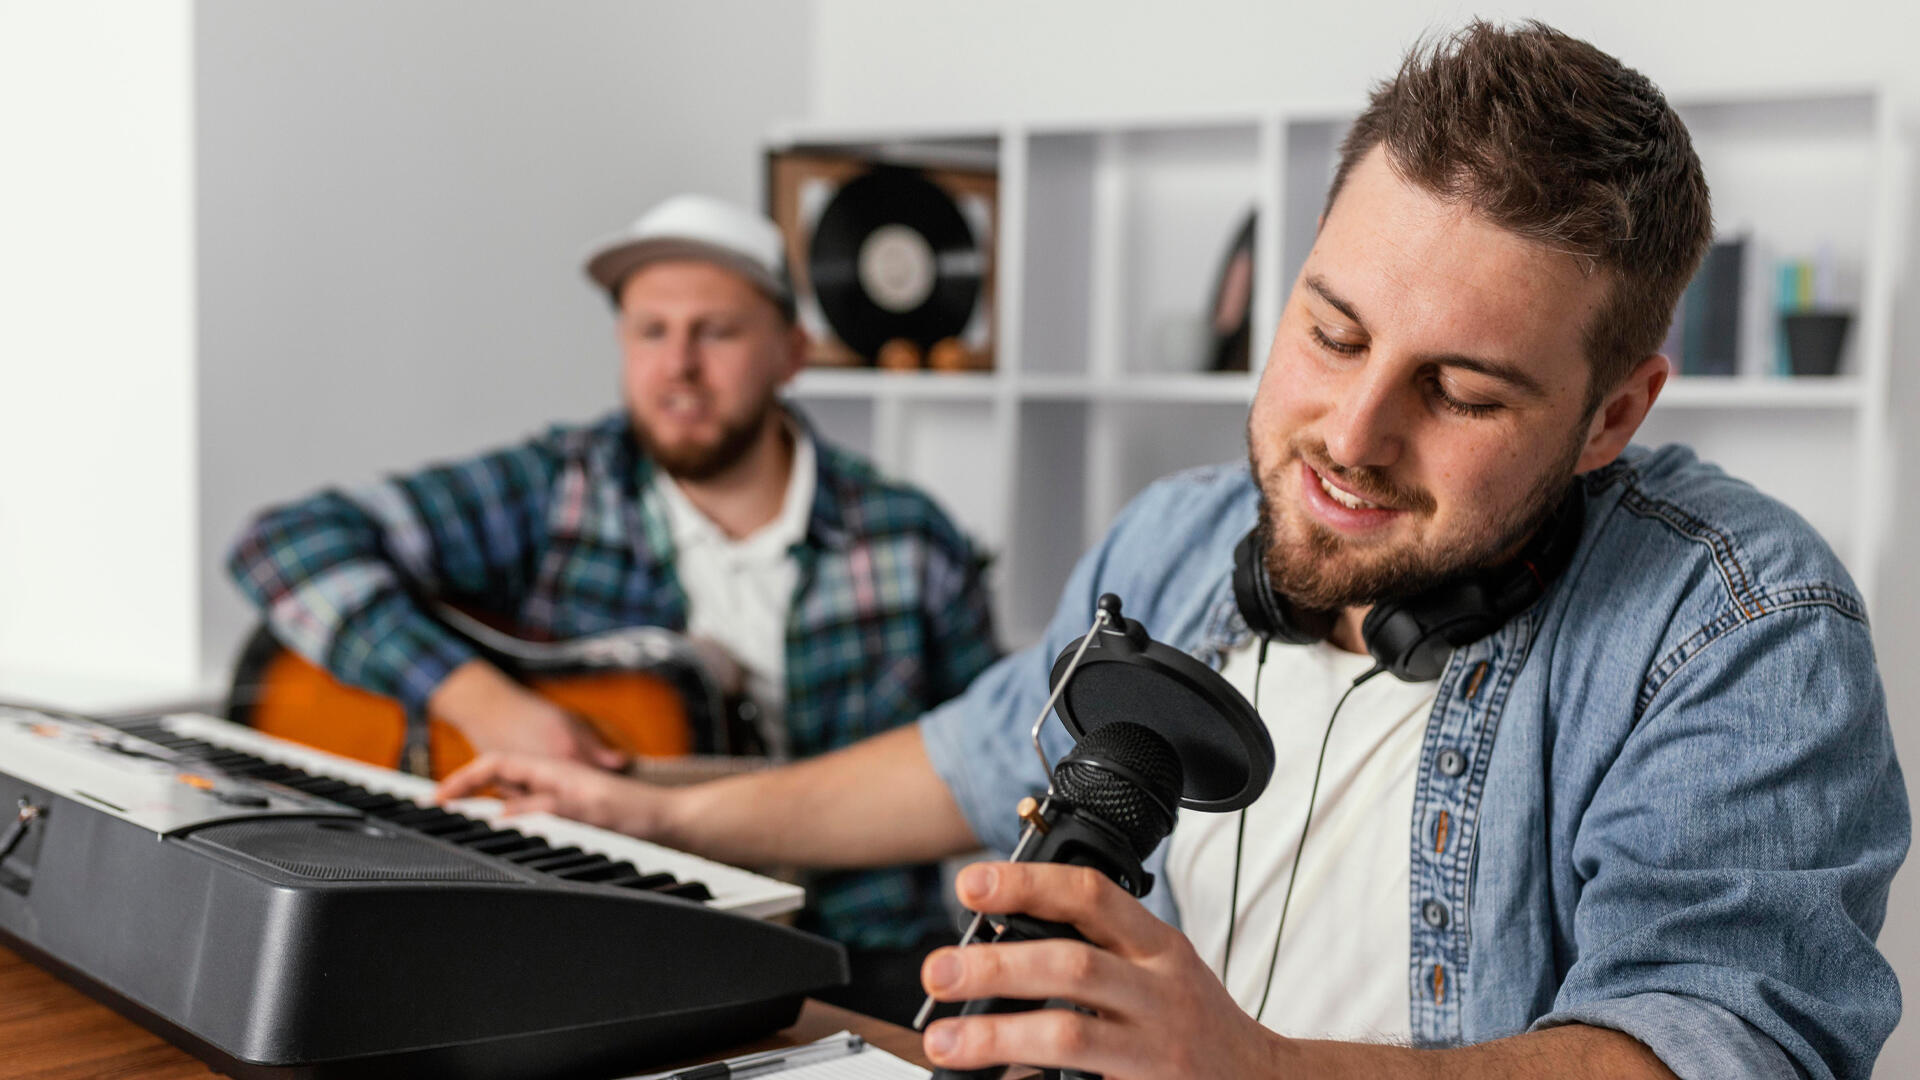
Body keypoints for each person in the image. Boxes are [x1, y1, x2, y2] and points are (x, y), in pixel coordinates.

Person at [436, 23, 1907, 1079]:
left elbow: (1721, 1046)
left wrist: (1251, 1070)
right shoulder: (1188, 532)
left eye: (1461, 392)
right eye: (1330, 333)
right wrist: (654, 810)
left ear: (1613, 416)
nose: (1350, 433)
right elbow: (965, 752)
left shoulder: (1740, 622)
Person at [226, 193, 1000, 1024]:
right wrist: (484, 706)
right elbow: (283, 545)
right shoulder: (559, 486)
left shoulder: (911, 539)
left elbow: (993, 770)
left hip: (862, 949)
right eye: (650, 331)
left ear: (792, 352)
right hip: (615, 935)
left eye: (718, 331)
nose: (678, 366)